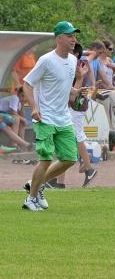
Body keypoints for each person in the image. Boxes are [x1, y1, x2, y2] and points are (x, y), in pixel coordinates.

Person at [21, 21, 83, 211]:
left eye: (74, 35)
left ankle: (36, 185)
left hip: (63, 117)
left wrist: (82, 87)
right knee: (46, 158)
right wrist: (33, 108)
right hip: (45, 117)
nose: (74, 39)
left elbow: (69, 92)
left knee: (70, 158)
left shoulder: (73, 60)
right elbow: (27, 84)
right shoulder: (46, 60)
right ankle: (30, 199)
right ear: (59, 38)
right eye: (69, 35)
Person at [51, 42, 98, 189]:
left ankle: (89, 168)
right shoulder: (77, 64)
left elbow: (73, 95)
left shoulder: (76, 66)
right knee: (65, 139)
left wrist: (83, 80)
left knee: (76, 135)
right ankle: (60, 181)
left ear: (75, 54)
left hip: (75, 106)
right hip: (72, 105)